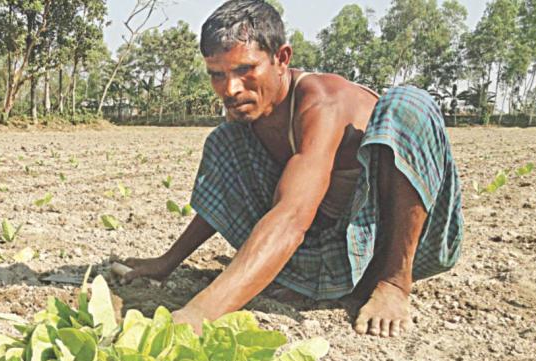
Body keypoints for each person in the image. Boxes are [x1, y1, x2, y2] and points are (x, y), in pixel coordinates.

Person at [121, 0, 463, 338]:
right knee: (225, 139)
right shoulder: (246, 110)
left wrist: (199, 313)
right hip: (326, 247)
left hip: (384, 239)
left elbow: (292, 216)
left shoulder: (321, 101)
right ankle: (306, 280)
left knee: (407, 105)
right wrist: (168, 261)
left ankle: (392, 283)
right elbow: (225, 194)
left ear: (282, 59)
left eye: (244, 70)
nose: (230, 89)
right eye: (217, 75)